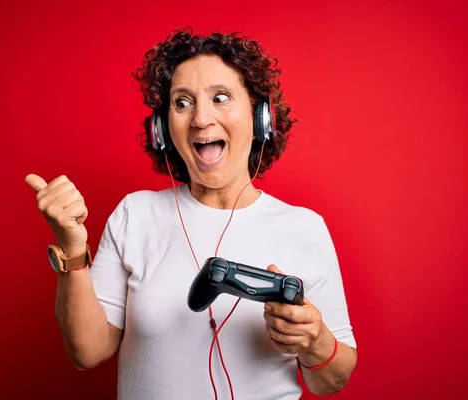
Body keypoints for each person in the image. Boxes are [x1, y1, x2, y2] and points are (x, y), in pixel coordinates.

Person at [25, 29, 357, 399]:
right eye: (182, 103)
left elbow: (331, 380)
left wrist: (315, 341)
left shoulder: (304, 228)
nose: (201, 119)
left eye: (221, 98)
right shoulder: (136, 215)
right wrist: (70, 247)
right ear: (163, 130)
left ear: (260, 118)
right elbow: (87, 352)